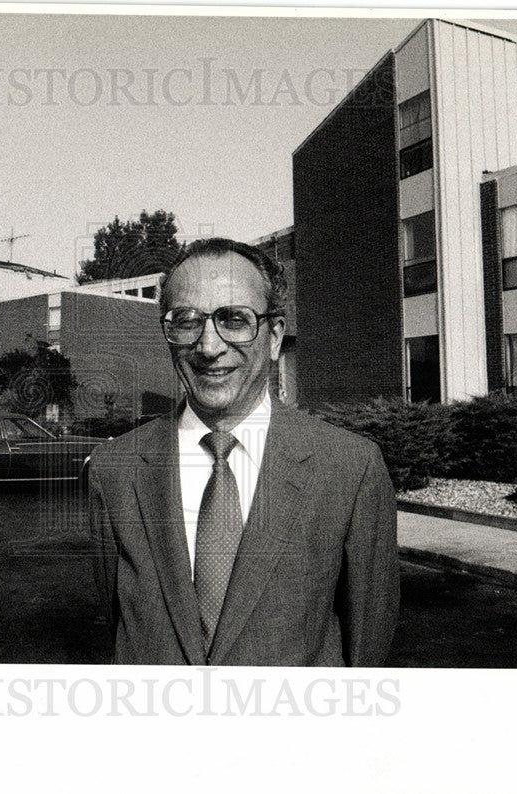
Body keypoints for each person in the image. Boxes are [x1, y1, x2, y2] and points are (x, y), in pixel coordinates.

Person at [88, 238, 399, 666]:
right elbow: (115, 625)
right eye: (186, 320)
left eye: (234, 319)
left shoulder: (351, 468)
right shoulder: (114, 470)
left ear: (273, 337)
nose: (208, 346)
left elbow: (367, 650)